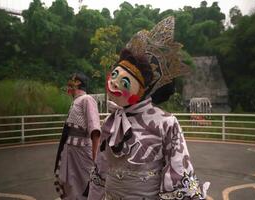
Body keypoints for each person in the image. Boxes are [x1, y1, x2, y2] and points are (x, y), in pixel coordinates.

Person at [88, 16, 210, 200]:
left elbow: (178, 172)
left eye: (125, 81)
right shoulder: (110, 122)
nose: (114, 83)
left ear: (143, 90)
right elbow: (100, 170)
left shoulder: (166, 123)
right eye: (114, 74)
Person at [54, 73, 101, 200]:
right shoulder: (76, 101)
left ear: (78, 83)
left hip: (82, 150)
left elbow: (94, 127)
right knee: (71, 185)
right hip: (70, 150)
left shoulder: (87, 99)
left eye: (71, 81)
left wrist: (95, 157)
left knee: (86, 184)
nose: (68, 83)